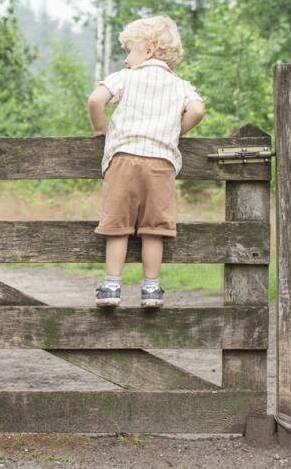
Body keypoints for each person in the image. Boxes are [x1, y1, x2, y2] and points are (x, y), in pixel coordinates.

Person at [87, 15, 205, 309]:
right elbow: (198, 110)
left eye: (129, 51)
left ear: (149, 50)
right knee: (155, 228)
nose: (126, 60)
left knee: (118, 224)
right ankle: (151, 289)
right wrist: (174, 132)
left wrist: (100, 129)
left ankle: (112, 286)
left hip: (124, 160)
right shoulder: (180, 85)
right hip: (161, 165)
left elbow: (95, 100)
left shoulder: (126, 77)